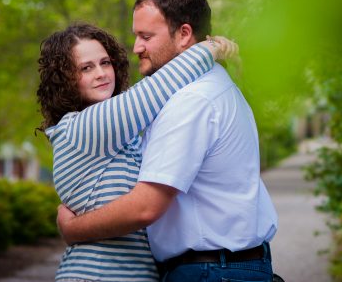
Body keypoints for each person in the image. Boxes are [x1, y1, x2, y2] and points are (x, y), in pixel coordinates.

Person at [57, 0, 279, 282]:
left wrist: (73, 229)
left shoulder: (192, 100)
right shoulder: (210, 87)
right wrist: (210, 50)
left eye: (146, 36)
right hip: (216, 268)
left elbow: (145, 207)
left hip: (210, 271)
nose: (136, 47)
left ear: (185, 34)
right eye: (85, 68)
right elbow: (146, 94)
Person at [37, 23, 236, 282]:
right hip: (95, 275)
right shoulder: (81, 127)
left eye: (105, 63)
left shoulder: (120, 133)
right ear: (65, 80)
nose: (101, 73)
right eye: (86, 68)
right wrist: (210, 47)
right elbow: (158, 87)